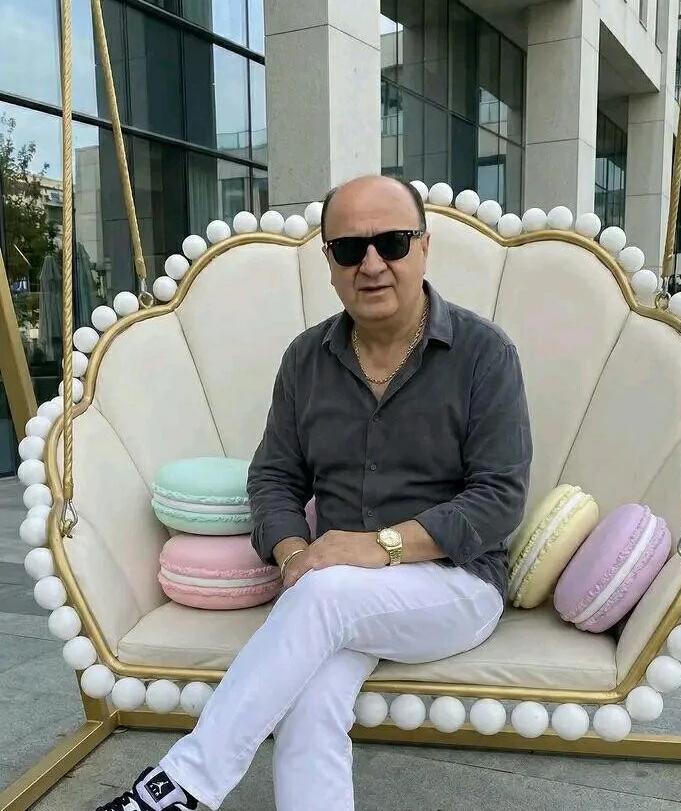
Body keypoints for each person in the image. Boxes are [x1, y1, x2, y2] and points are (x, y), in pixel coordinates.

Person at [96, 174, 533, 811]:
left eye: (392, 242)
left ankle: (179, 788)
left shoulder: (483, 355)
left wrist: (376, 547)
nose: (373, 264)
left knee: (324, 595)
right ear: (329, 262)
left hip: (456, 583)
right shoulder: (306, 359)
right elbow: (274, 476)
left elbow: (499, 499)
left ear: (425, 247)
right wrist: (291, 552)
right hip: (328, 594)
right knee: (309, 700)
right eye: (351, 250)